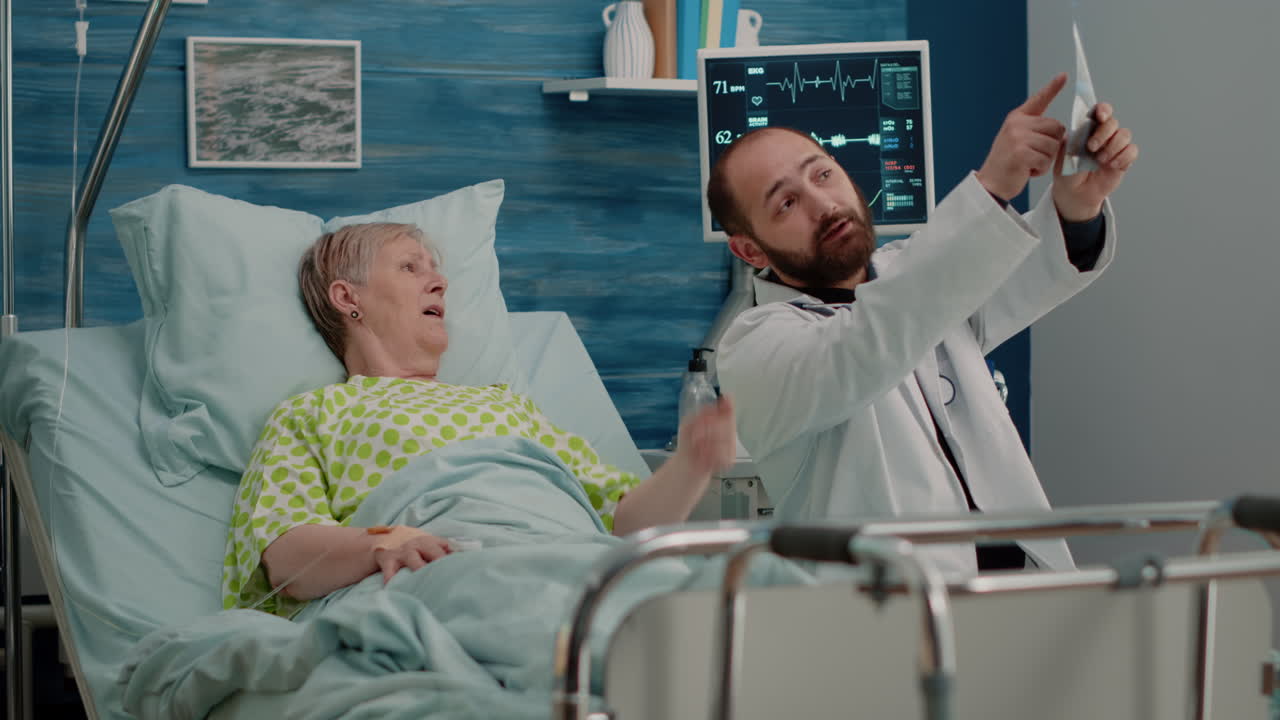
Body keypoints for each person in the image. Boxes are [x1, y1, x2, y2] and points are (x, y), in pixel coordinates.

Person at [712, 73, 1138, 577]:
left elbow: (1009, 272)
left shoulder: (909, 272)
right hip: (893, 621)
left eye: (823, 175)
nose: (823, 205)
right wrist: (991, 188)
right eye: (786, 203)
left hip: (1019, 592)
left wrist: (1078, 204)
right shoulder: (752, 349)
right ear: (750, 249)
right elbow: (868, 340)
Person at [221, 222, 737, 617]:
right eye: (411, 268)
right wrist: (383, 544)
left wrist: (691, 465)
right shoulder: (313, 414)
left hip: (576, 559)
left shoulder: (507, 404)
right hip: (445, 570)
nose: (440, 282)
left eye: (435, 270)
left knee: (737, 597)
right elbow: (287, 558)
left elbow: (626, 523)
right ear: (347, 297)